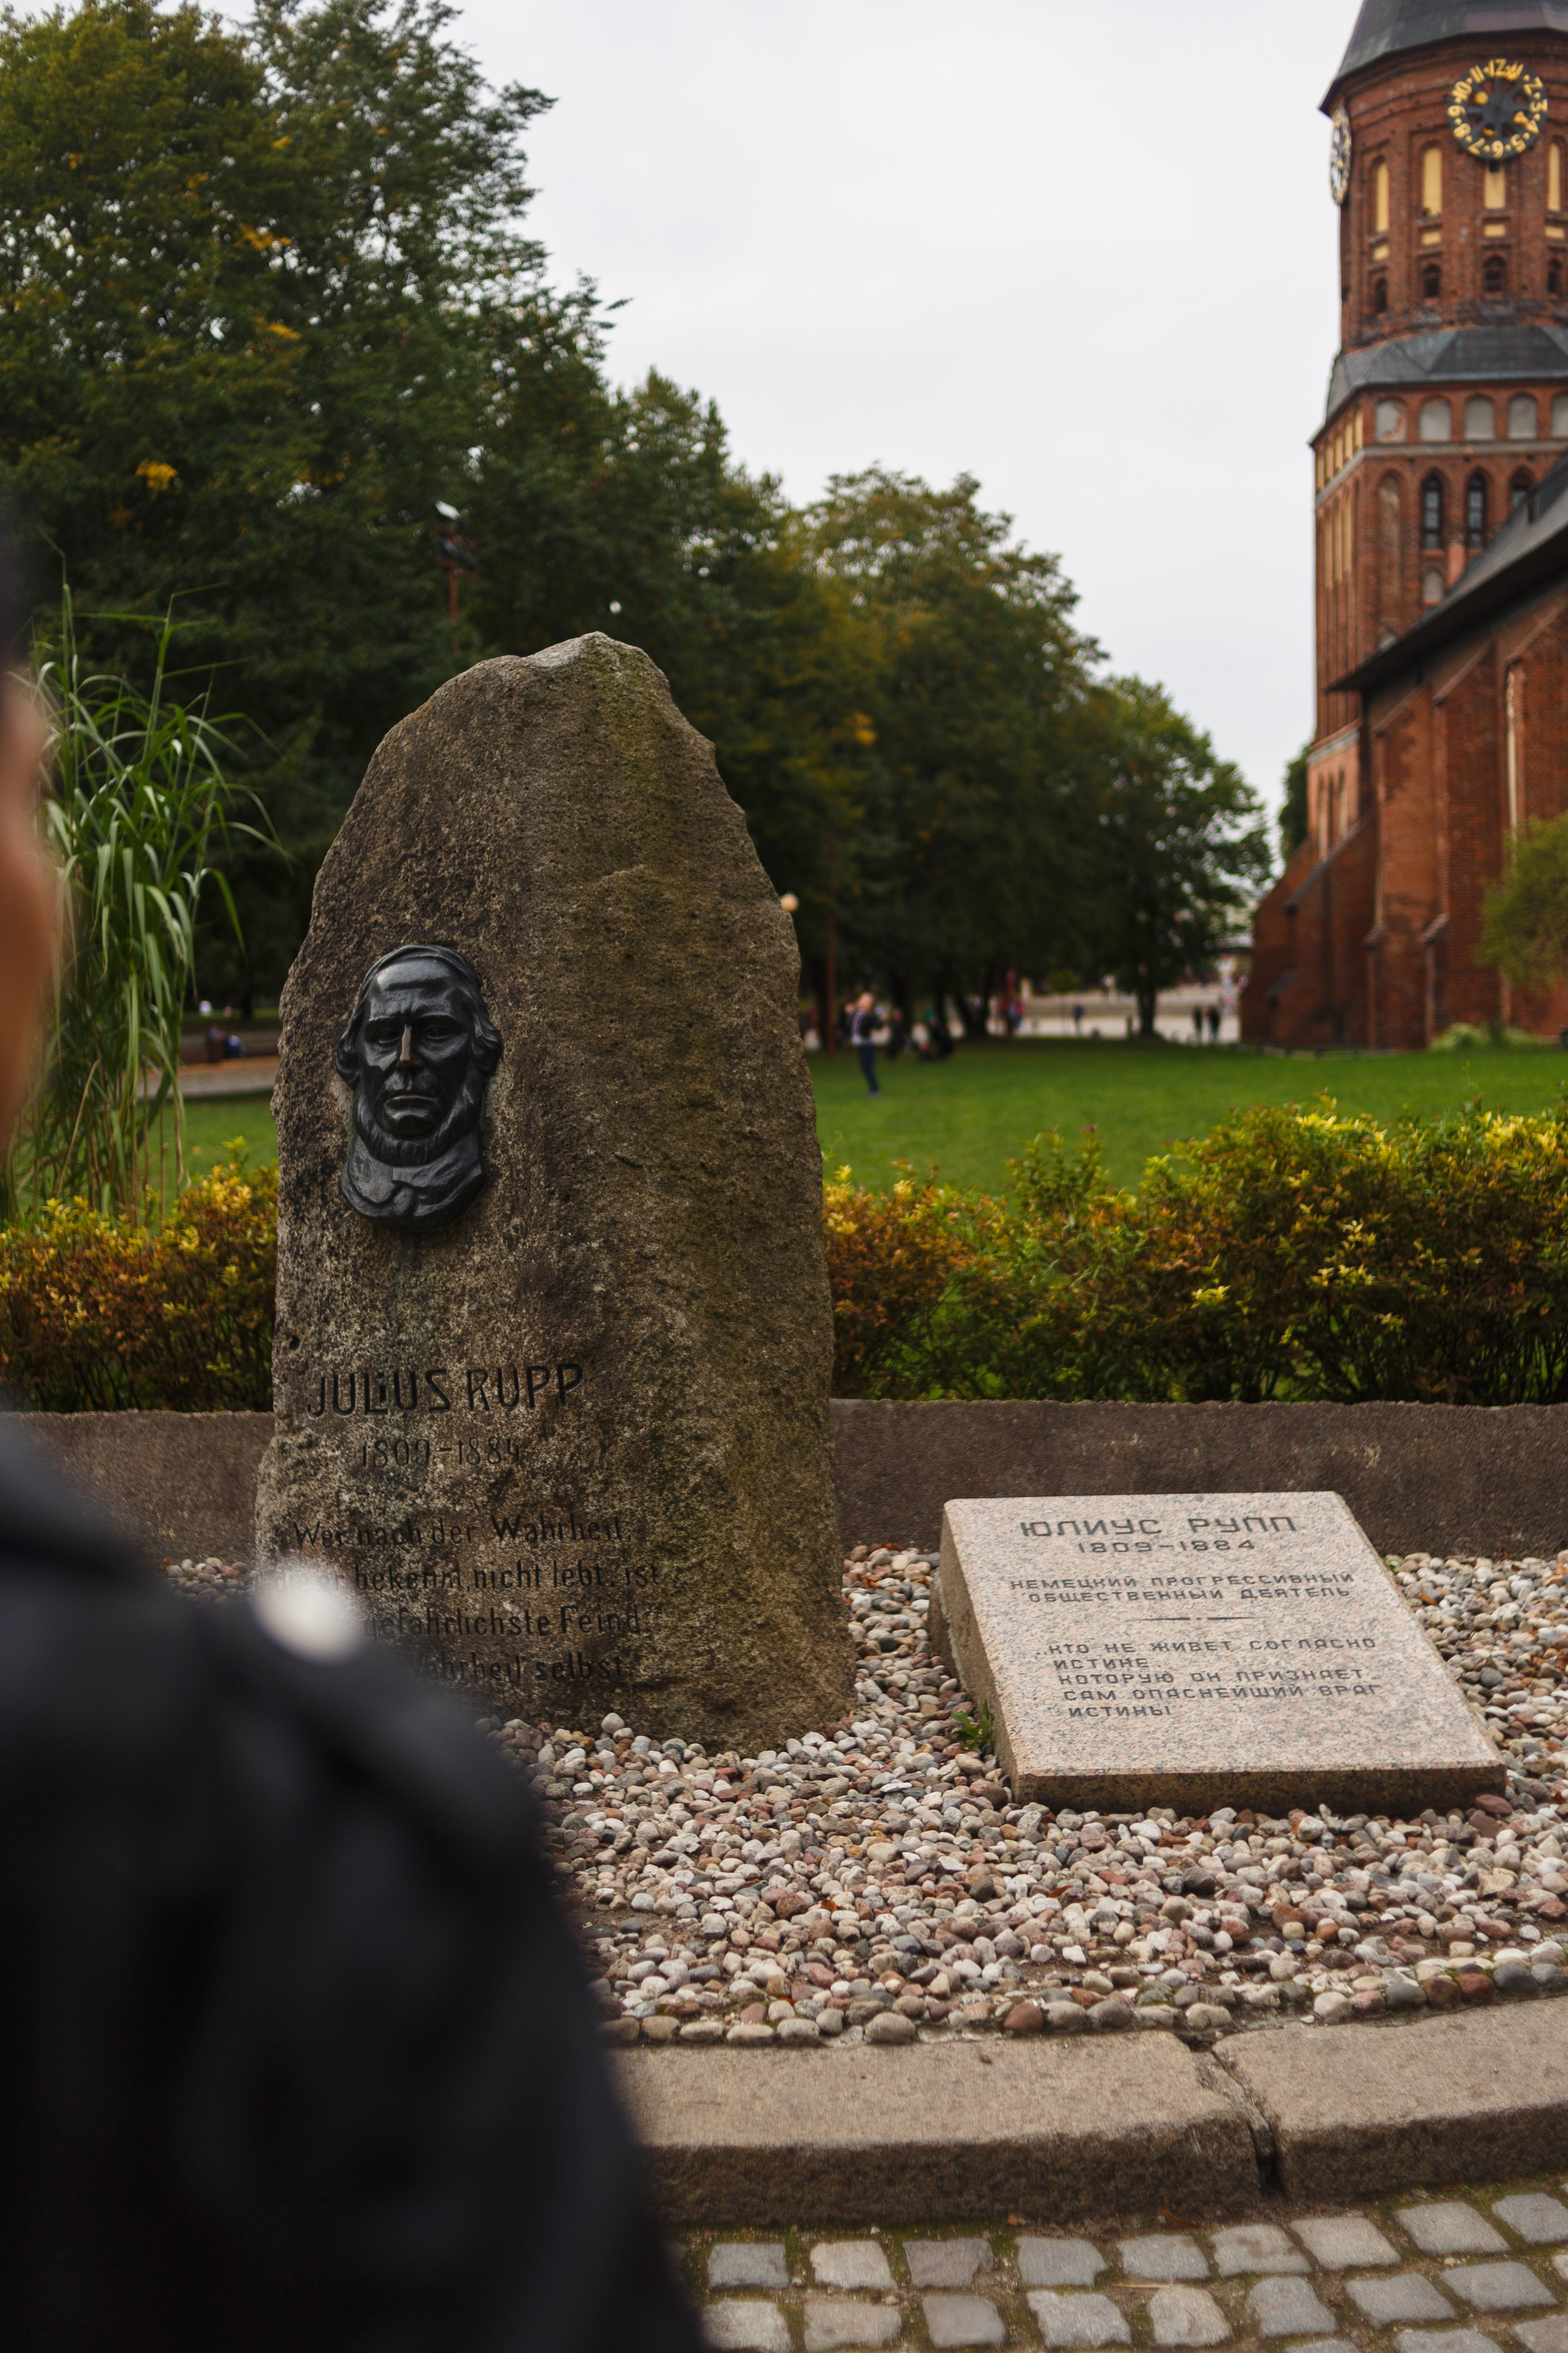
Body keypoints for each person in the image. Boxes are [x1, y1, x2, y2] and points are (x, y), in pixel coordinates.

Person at [0, 524, 700, 2352]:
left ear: (483, 1054)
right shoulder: (271, 1841)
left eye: (428, 1037)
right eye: (31, 797)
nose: (394, 1066)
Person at [850, 988, 881, 1095]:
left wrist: (882, 1021)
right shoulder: (859, 1014)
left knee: (868, 1068)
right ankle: (873, 1089)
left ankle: (875, 1090)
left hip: (868, 1044)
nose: (861, 1001)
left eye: (864, 1000)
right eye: (861, 999)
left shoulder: (869, 1016)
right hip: (861, 1044)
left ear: (870, 1004)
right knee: (864, 1068)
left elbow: (877, 1025)